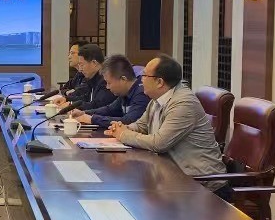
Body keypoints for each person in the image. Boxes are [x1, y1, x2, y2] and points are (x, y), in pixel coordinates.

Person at [106, 54, 229, 199]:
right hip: (172, 178)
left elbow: (159, 143)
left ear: (159, 82)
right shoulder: (156, 99)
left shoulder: (183, 103)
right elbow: (141, 125)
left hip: (202, 186)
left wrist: (123, 134)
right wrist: (122, 128)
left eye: (145, 75)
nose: (141, 80)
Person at [71, 55, 149, 127]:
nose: (107, 87)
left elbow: (129, 121)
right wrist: (84, 113)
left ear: (123, 79)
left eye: (109, 83)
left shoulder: (142, 94)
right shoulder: (124, 93)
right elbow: (109, 109)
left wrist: (92, 119)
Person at [58, 44, 115, 111]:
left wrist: (70, 105)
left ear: (94, 63)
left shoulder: (106, 80)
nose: (80, 69)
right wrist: (66, 99)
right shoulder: (92, 79)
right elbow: (86, 98)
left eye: (82, 65)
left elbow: (97, 105)